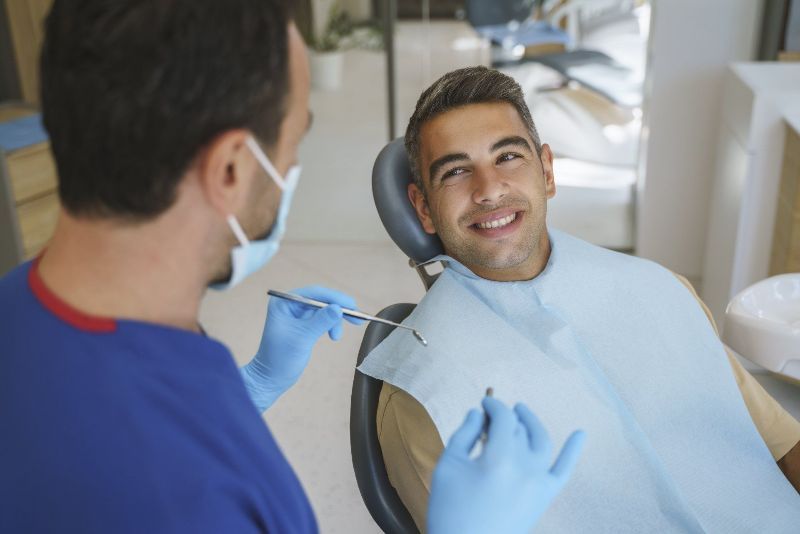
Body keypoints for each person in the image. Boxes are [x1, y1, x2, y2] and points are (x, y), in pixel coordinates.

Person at [0, 2, 587, 533]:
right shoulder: (194, 501)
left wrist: (248, 386)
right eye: (293, 142)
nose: (294, 165)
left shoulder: (28, 307)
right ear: (231, 170)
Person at [358, 66, 800, 532]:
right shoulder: (424, 397)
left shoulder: (662, 291)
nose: (489, 190)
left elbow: (785, 445)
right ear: (424, 207)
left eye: (507, 156)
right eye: (456, 171)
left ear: (546, 171)